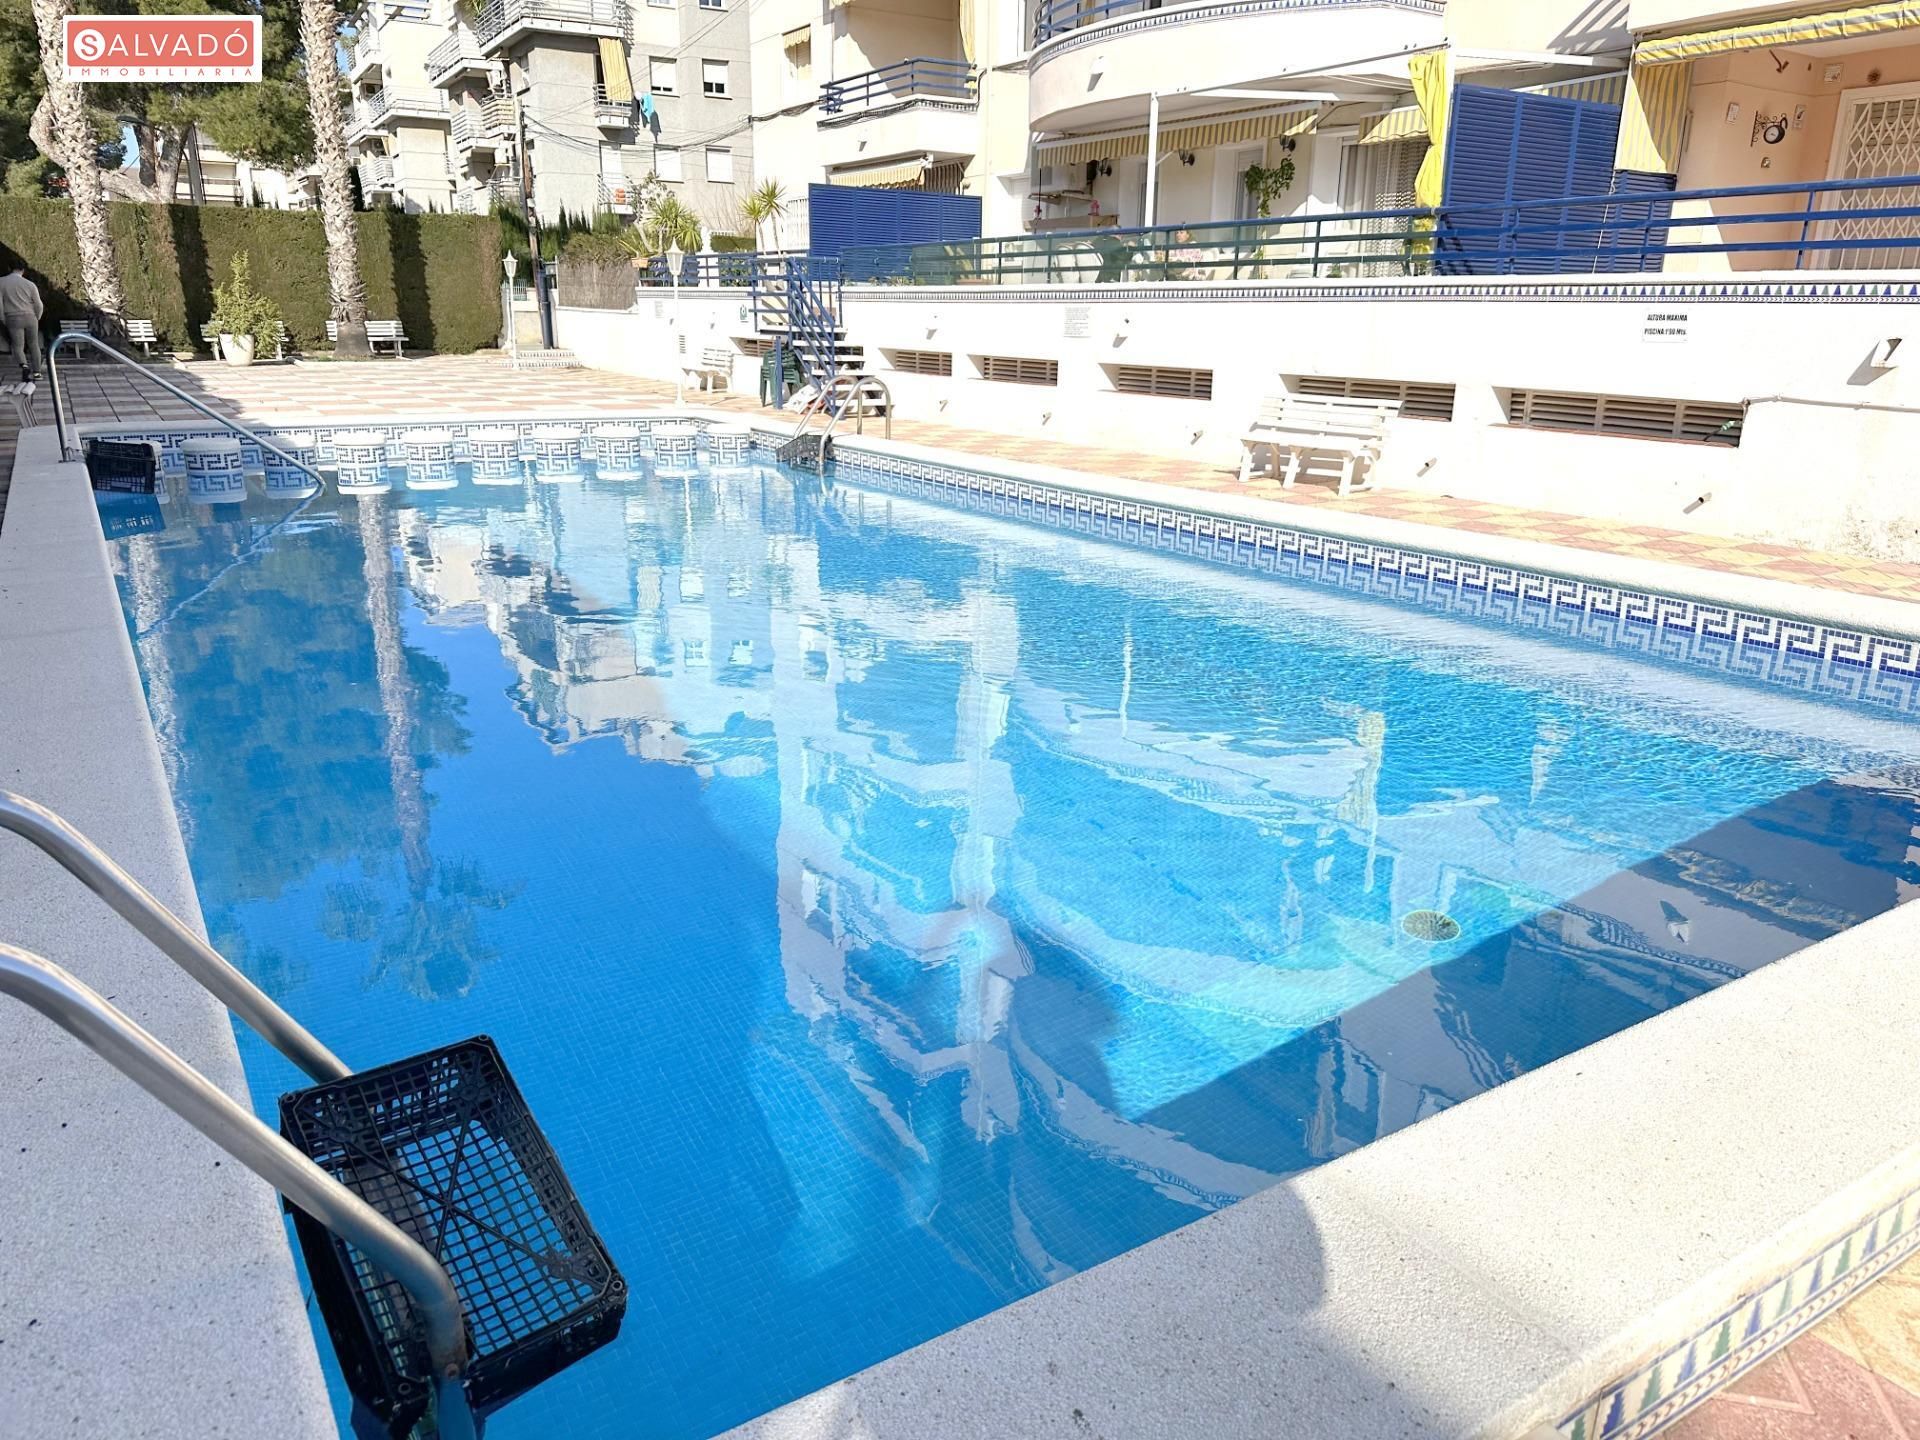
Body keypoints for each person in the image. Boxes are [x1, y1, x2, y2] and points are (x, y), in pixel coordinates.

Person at [0, 261, 44, 380]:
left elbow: (0, 304)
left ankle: (24, 366)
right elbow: (39, 304)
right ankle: (37, 372)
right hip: (30, 316)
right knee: (34, 344)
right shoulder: (30, 284)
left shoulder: (1, 282)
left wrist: (3, 318)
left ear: (9, 268)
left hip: (12, 317)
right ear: (23, 270)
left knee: (18, 345)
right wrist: (38, 317)